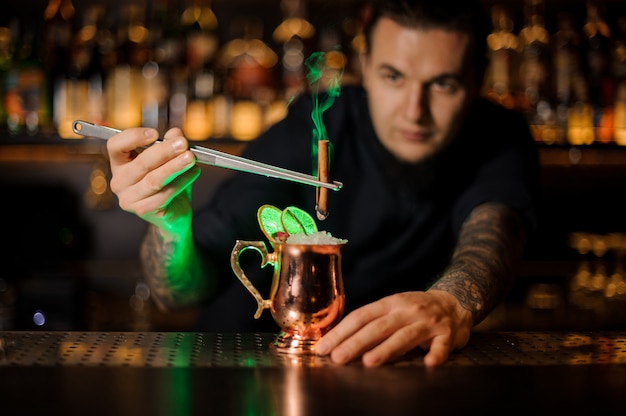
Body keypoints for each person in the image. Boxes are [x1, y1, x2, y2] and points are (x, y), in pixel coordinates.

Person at [105, 0, 541, 367]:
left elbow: (495, 230)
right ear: (364, 67)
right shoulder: (314, 130)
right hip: (247, 374)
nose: (415, 110)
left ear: (477, 79)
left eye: (443, 84)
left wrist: (453, 301)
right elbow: (176, 293)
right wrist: (169, 226)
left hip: (386, 382)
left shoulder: (498, 136)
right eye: (393, 76)